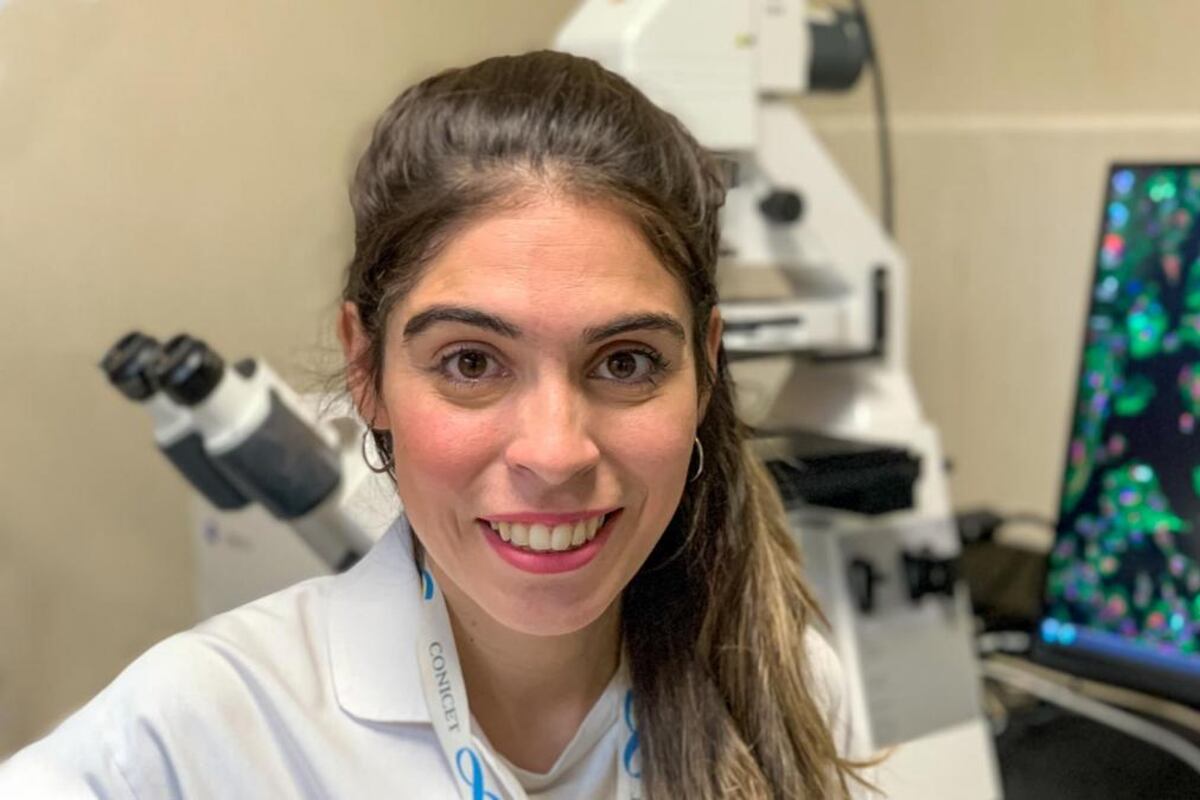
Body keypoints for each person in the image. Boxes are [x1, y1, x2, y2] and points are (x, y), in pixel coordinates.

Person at [0, 50, 874, 798]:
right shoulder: (199, 733)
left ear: (707, 364)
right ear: (364, 368)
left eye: (625, 362)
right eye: (471, 363)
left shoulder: (783, 688)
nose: (555, 452)